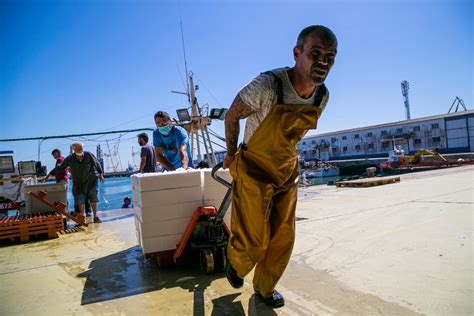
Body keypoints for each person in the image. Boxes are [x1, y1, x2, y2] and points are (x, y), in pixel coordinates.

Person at [222, 25, 338, 308]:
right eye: (316, 53)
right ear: (297, 53)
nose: (323, 62)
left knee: (283, 238)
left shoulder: (322, 96)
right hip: (253, 167)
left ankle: (264, 287)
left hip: (287, 169)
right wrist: (231, 153)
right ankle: (236, 264)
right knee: (254, 240)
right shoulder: (268, 85)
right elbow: (231, 116)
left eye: (330, 57)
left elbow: (294, 135)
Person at [49, 141, 105, 223]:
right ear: (74, 150)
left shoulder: (88, 155)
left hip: (91, 181)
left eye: (81, 149)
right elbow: (60, 167)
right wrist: (49, 175)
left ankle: (95, 216)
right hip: (78, 183)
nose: (80, 151)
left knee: (93, 199)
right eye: (78, 149)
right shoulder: (70, 158)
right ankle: (82, 218)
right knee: (80, 200)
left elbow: (97, 164)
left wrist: (101, 173)